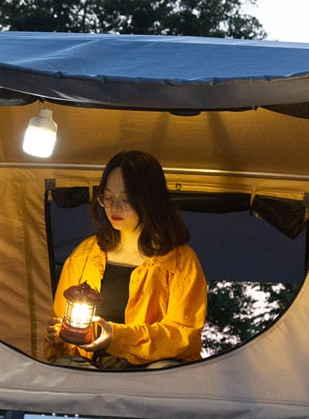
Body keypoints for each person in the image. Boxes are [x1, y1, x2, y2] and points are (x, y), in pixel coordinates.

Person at [45, 150, 207, 368]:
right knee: (65, 366)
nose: (115, 207)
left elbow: (183, 335)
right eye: (109, 198)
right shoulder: (85, 255)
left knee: (162, 370)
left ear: (151, 200)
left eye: (126, 199)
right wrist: (59, 338)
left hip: (152, 375)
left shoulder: (180, 262)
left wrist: (117, 337)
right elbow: (64, 330)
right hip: (93, 370)